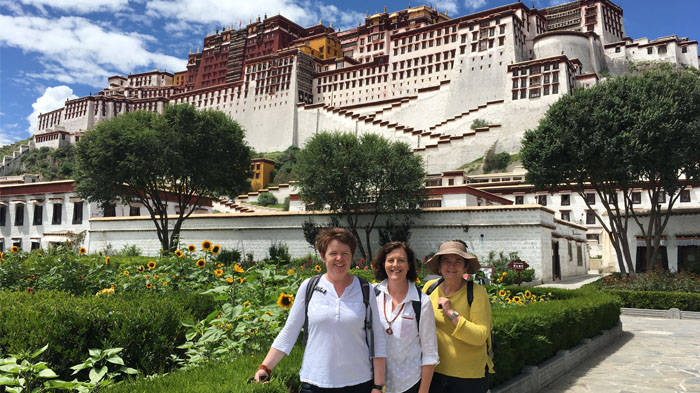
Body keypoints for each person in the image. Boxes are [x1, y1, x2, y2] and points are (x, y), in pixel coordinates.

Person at [253, 227, 387, 393]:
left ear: (352, 257)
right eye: (333, 253)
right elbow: (289, 332)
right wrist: (265, 367)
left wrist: (377, 386)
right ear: (323, 256)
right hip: (314, 382)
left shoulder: (365, 288)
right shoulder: (309, 287)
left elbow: (377, 339)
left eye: (345, 253)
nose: (339, 258)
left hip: (359, 383)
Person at [422, 240, 494, 393]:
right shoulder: (430, 289)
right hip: (434, 371)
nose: (452, 266)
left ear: (465, 266)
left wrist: (451, 314)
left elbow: (480, 335)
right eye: (446, 261)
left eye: (458, 261)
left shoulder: (477, 293)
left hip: (468, 375)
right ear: (440, 266)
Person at [372, 242, 438, 393]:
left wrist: (423, 391)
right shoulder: (371, 295)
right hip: (375, 384)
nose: (395, 265)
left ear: (409, 266)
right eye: (390, 260)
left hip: (409, 384)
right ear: (383, 264)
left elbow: (430, 353)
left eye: (401, 260)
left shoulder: (421, 302)